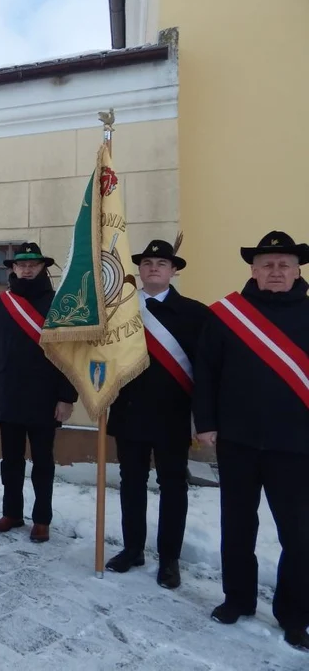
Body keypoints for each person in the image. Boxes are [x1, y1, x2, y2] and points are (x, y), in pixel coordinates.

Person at [194, 231, 309, 652]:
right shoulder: (226, 315)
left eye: (284, 264)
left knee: (299, 535)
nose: (275, 271)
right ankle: (237, 599)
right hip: (238, 441)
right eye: (267, 264)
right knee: (237, 526)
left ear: (298, 270)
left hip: (296, 446)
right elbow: (205, 371)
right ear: (253, 270)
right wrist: (205, 423)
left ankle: (295, 615)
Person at [105, 240, 210, 590]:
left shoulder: (195, 314)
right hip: (130, 411)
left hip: (173, 415)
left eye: (161, 263)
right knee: (131, 483)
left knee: (173, 487)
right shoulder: (120, 311)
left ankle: (169, 559)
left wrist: (205, 418)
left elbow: (206, 370)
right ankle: (133, 549)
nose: (153, 268)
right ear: (140, 269)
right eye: (147, 262)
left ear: (173, 270)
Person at [0, 242, 77, 543]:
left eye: (33, 264)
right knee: (11, 461)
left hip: (45, 398)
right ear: (14, 269)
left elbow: (70, 354)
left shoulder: (59, 304)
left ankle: (42, 518)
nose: (27, 269)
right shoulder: (1, 304)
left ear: (42, 267)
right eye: (22, 264)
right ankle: (12, 513)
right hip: (8, 393)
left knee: (43, 462)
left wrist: (66, 397)